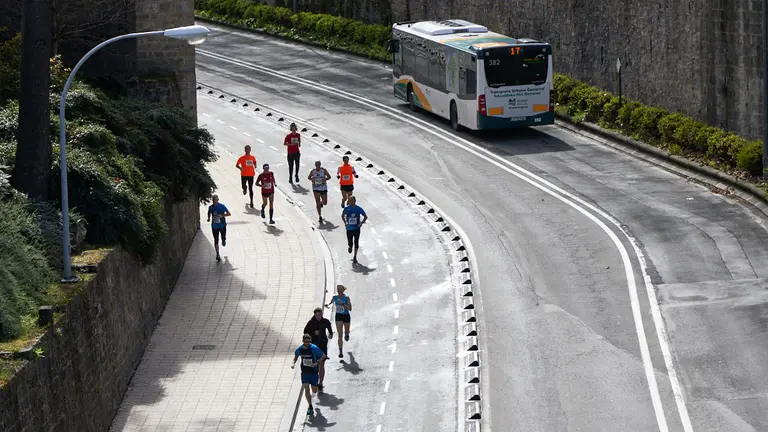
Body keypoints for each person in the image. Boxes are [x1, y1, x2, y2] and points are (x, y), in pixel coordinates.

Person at [291, 334, 326, 416]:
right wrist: (293, 363)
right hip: (305, 372)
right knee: (306, 388)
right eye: (305, 342)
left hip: (313, 372)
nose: (307, 343)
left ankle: (316, 389)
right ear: (303, 341)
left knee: (314, 390)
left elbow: (323, 356)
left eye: (308, 341)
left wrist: (316, 363)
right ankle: (310, 406)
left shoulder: (314, 348)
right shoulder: (300, 349)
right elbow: (295, 356)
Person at [303, 307, 333, 391]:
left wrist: (330, 334)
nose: (318, 317)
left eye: (319, 315)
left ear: (322, 314)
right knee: (314, 364)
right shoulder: (311, 323)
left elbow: (330, 331)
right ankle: (314, 380)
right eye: (316, 315)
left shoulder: (325, 321)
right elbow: (305, 332)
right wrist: (313, 333)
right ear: (314, 315)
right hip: (314, 346)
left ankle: (320, 383)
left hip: (323, 345)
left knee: (321, 364)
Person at [324, 285, 352, 358]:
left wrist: (342, 304)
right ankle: (340, 352)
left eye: (340, 289)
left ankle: (347, 334)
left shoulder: (346, 298)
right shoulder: (335, 297)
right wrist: (328, 304)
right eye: (337, 289)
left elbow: (350, 308)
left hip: (346, 316)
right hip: (338, 316)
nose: (338, 290)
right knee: (340, 334)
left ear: (343, 290)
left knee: (346, 332)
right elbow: (331, 302)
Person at [341, 196, 367, 264]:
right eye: (350, 201)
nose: (351, 202)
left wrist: (361, 223)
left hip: (356, 228)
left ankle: (355, 256)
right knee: (350, 243)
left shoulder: (358, 208)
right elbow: (342, 215)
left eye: (352, 201)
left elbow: (365, 217)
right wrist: (345, 223)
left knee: (356, 242)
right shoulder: (347, 208)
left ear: (355, 201)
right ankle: (350, 246)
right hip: (349, 228)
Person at [206, 194, 231, 262]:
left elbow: (229, 213)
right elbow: (209, 212)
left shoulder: (222, 206)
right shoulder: (211, 207)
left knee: (223, 237)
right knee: (216, 239)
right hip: (214, 226)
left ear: (218, 200)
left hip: (222, 225)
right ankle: (217, 254)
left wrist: (222, 215)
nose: (214, 201)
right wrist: (208, 218)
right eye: (213, 200)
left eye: (215, 200)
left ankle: (223, 240)